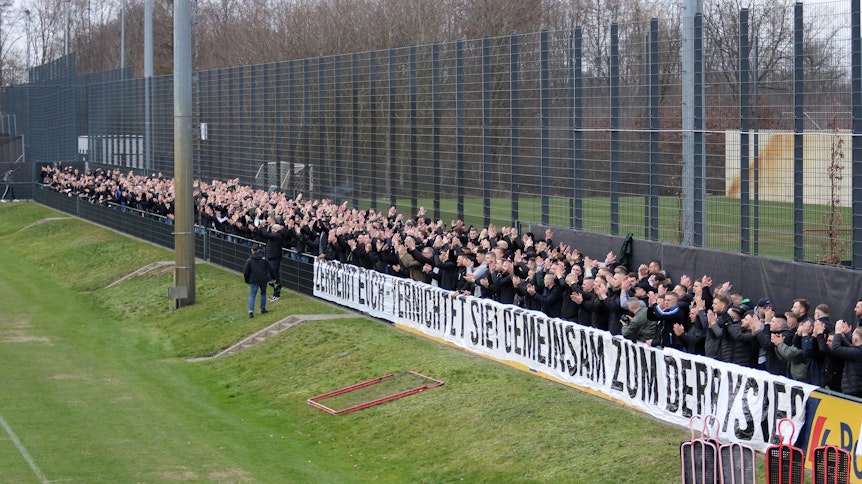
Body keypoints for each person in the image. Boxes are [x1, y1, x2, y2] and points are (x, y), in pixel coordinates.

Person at [829, 320, 862, 398]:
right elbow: (850, 346)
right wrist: (846, 333)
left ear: (855, 339)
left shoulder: (857, 352)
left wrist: (837, 333)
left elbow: (835, 349)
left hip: (854, 391)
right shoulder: (857, 351)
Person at [243, 244, 271, 318]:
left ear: (252, 251)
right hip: (263, 278)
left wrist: (247, 280)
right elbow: (270, 268)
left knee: (252, 295)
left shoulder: (249, 260)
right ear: (258, 250)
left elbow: (246, 272)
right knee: (263, 293)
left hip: (254, 279)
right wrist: (273, 278)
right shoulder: (264, 259)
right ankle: (263, 309)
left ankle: (251, 311)